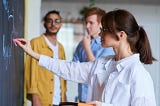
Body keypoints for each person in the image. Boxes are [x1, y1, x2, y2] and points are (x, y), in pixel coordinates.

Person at [16, 9, 156, 106]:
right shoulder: (102, 63)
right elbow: (69, 69)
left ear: (121, 35)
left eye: (104, 30)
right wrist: (34, 54)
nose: (100, 34)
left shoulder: (139, 75)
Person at [24, 10, 67, 106]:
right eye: (49, 21)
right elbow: (31, 72)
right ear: (45, 24)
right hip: (42, 100)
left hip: (60, 100)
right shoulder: (36, 43)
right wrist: (34, 98)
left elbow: (63, 74)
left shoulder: (61, 47)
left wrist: (64, 96)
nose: (53, 24)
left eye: (57, 21)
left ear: (61, 25)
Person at [73, 7, 114, 102]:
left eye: (91, 23)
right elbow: (74, 67)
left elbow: (97, 70)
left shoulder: (107, 45)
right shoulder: (82, 44)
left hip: (97, 100)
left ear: (100, 24)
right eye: (86, 23)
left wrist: (87, 48)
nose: (87, 26)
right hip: (81, 98)